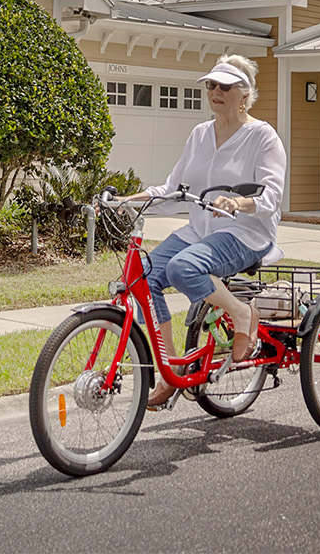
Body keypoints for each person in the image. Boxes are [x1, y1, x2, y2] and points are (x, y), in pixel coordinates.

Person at [126, 54, 286, 410]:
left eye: (224, 86)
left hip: (245, 233)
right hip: (199, 230)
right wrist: (127, 199)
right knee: (143, 277)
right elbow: (173, 191)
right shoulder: (200, 134)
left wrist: (239, 203)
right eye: (211, 84)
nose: (215, 91)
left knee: (182, 268)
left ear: (244, 94)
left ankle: (242, 313)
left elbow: (272, 197)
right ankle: (169, 371)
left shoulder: (263, 137)